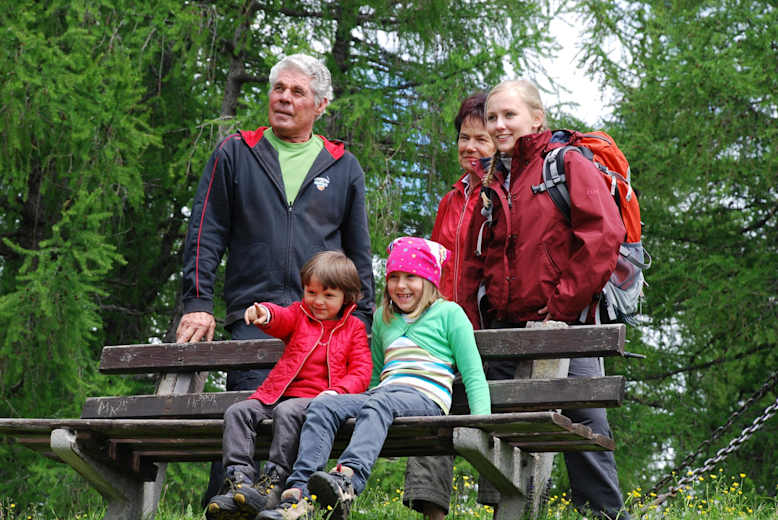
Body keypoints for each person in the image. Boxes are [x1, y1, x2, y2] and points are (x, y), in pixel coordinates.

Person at [175, 53, 375, 504]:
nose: (284, 98)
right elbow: (205, 231)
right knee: (247, 420)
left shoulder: (342, 166)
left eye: (297, 91)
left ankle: (289, 507)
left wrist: (360, 320)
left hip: (323, 326)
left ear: (320, 105)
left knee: (302, 427)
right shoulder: (236, 152)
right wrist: (199, 302)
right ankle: (227, 505)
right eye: (278, 88)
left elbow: (359, 255)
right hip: (256, 318)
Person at [461, 79, 630, 519]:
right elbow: (480, 260)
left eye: (509, 115)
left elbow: (603, 235)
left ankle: (605, 514)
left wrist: (559, 308)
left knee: (586, 423)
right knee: (503, 427)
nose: (499, 125)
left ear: (537, 118)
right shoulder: (494, 180)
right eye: (492, 117)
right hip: (504, 329)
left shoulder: (566, 162)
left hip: (564, 326)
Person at [258, 237, 491, 520]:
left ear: (429, 280)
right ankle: (300, 496)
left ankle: (347, 481)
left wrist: (483, 423)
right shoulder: (383, 317)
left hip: (426, 398)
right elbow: (377, 374)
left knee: (379, 402)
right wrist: (364, 415)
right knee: (322, 404)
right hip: (383, 394)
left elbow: (473, 373)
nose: (401, 286)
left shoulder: (449, 313)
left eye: (410, 277)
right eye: (393, 277)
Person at [205, 251, 371, 520]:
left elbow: (362, 371)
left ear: (347, 297)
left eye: (328, 295)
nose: (318, 301)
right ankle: (240, 483)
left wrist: (338, 393)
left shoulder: (353, 328)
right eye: (311, 292)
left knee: (288, 411)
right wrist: (265, 313)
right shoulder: (299, 315)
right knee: (238, 412)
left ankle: (275, 480)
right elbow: (280, 318)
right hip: (278, 395)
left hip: (318, 403)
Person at [402, 92, 496, 520]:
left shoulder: (503, 194)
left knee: (490, 410)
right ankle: (432, 512)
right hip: (443, 327)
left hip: (487, 327)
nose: (470, 147)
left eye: (481, 139)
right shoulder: (451, 199)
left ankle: (502, 507)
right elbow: (433, 267)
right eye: (464, 138)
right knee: (428, 404)